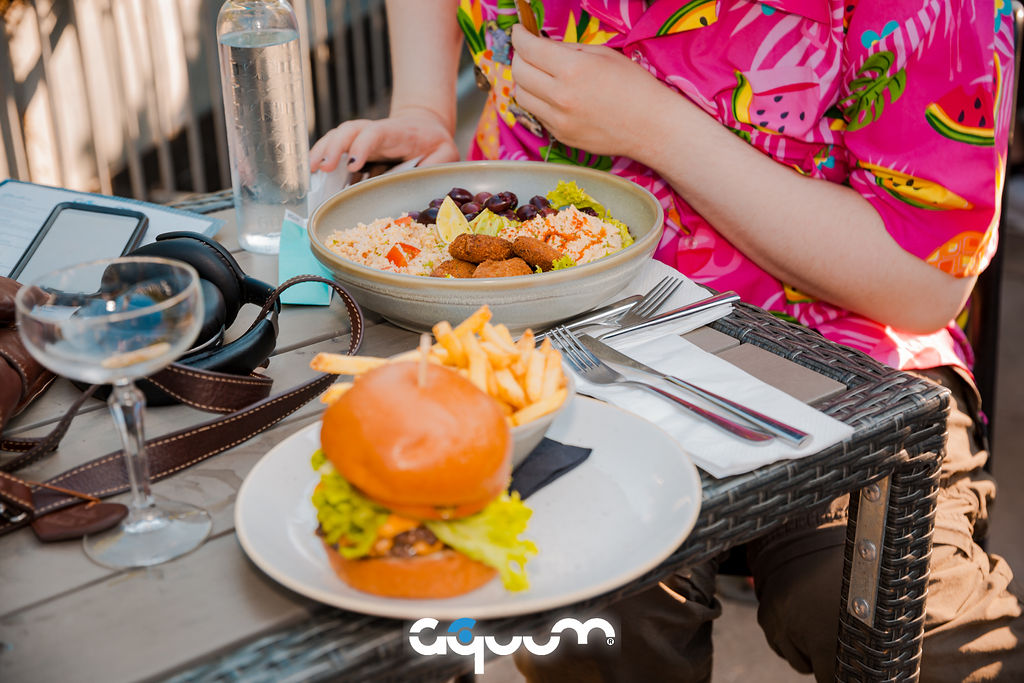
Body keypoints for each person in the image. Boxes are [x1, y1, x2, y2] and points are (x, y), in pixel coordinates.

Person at [311, 1, 1024, 680]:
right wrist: (424, 106)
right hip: (562, 327)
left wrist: (657, 128)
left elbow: (921, 282)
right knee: (600, 618)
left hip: (837, 346)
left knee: (898, 626)